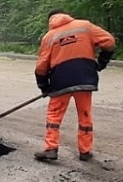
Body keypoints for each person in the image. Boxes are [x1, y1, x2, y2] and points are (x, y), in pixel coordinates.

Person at [34, 9, 116, 162]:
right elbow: (109, 41)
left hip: (60, 81)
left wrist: (44, 86)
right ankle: (85, 151)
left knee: (54, 115)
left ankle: (51, 149)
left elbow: (41, 66)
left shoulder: (49, 37)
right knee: (85, 114)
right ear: (67, 15)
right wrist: (102, 62)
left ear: (50, 20)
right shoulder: (85, 26)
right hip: (84, 78)